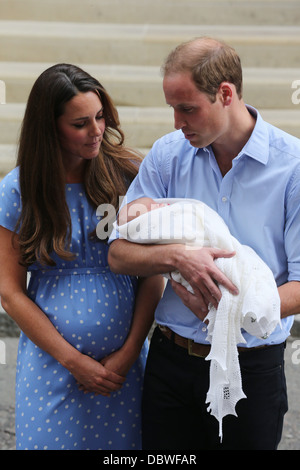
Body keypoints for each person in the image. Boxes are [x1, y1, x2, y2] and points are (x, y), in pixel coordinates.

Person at [108, 37, 300, 450]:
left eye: (187, 108)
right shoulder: (166, 155)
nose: (177, 122)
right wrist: (177, 257)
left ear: (225, 93)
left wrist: (228, 308)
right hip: (170, 362)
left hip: (251, 368)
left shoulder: (293, 168)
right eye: (172, 109)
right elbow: (119, 253)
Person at [0, 63, 163, 450]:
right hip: (53, 369)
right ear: (49, 127)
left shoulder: (128, 175)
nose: (97, 131)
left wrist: (127, 354)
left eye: (100, 116)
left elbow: (153, 275)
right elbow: (9, 291)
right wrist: (73, 361)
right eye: (80, 123)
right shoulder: (18, 190)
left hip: (124, 370)